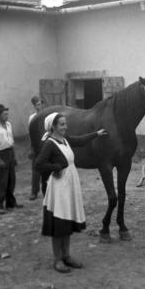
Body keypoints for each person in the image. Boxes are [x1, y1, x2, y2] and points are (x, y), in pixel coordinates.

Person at [35, 112, 107, 273]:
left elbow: (80, 141)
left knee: (66, 222)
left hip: (69, 187)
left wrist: (96, 133)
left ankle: (67, 255)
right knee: (58, 224)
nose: (65, 127)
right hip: (58, 189)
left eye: (65, 124)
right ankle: (57, 259)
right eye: (61, 124)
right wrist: (55, 168)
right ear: (53, 127)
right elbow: (39, 164)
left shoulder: (65, 140)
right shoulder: (50, 144)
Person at [0, 104, 23, 214]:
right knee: (1, 181)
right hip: (0, 154)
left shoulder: (9, 125)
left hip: (9, 153)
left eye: (7, 114)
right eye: (4, 114)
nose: (7, 116)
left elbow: (12, 142)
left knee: (11, 179)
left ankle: (10, 203)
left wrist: (14, 157)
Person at [28, 96, 44, 200]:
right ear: (34, 106)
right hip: (37, 146)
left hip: (46, 145)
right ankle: (34, 191)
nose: (40, 106)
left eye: (41, 104)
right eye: (38, 104)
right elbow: (31, 134)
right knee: (36, 169)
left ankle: (47, 191)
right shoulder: (32, 118)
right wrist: (32, 148)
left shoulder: (47, 116)